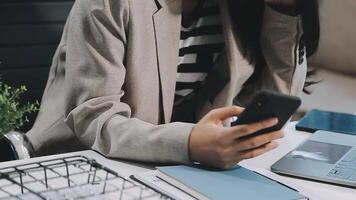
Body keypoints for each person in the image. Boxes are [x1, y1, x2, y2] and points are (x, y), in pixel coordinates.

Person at [19, 0, 319, 169]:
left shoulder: (236, 9)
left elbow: (274, 105)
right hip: (79, 164)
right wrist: (190, 143)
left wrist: (283, 9)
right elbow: (95, 120)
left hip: (171, 169)